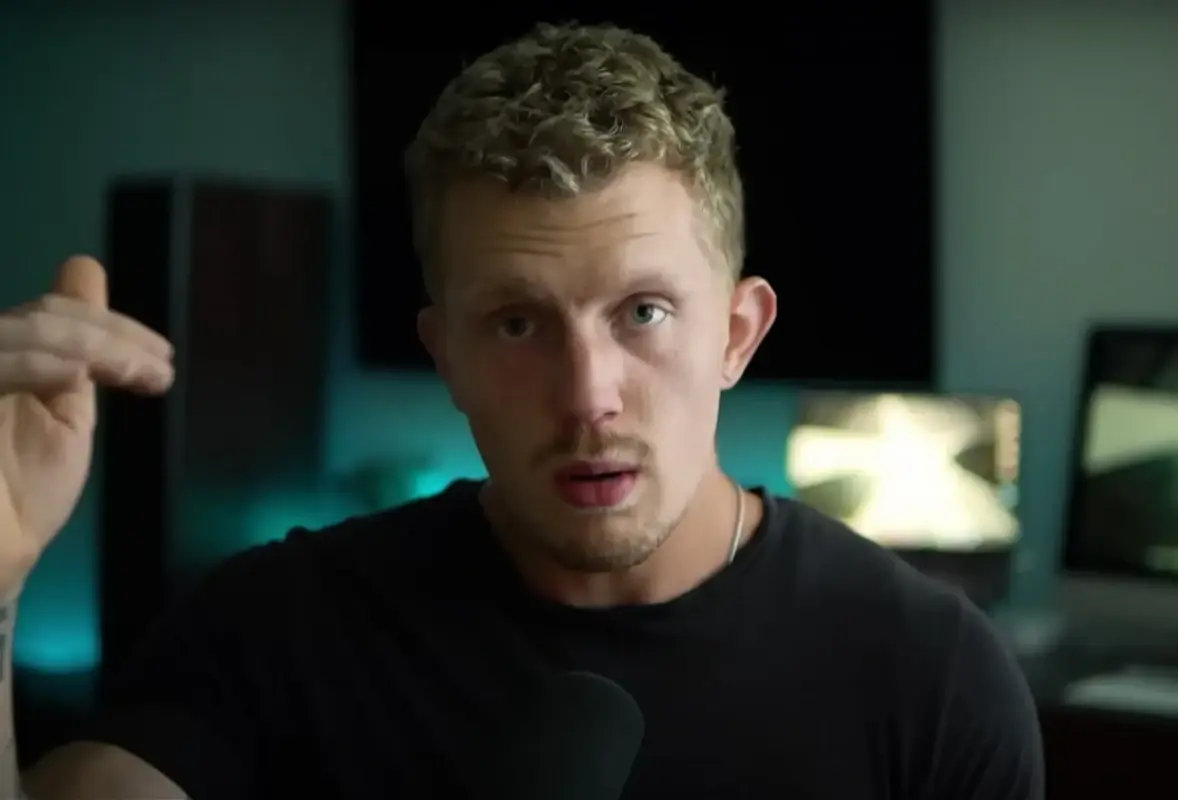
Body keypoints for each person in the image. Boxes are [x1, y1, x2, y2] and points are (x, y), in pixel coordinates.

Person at [1, 22, 1042, 800]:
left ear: (736, 333)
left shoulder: (933, 677)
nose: (587, 395)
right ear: (445, 355)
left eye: (642, 312)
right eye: (515, 323)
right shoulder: (280, 627)